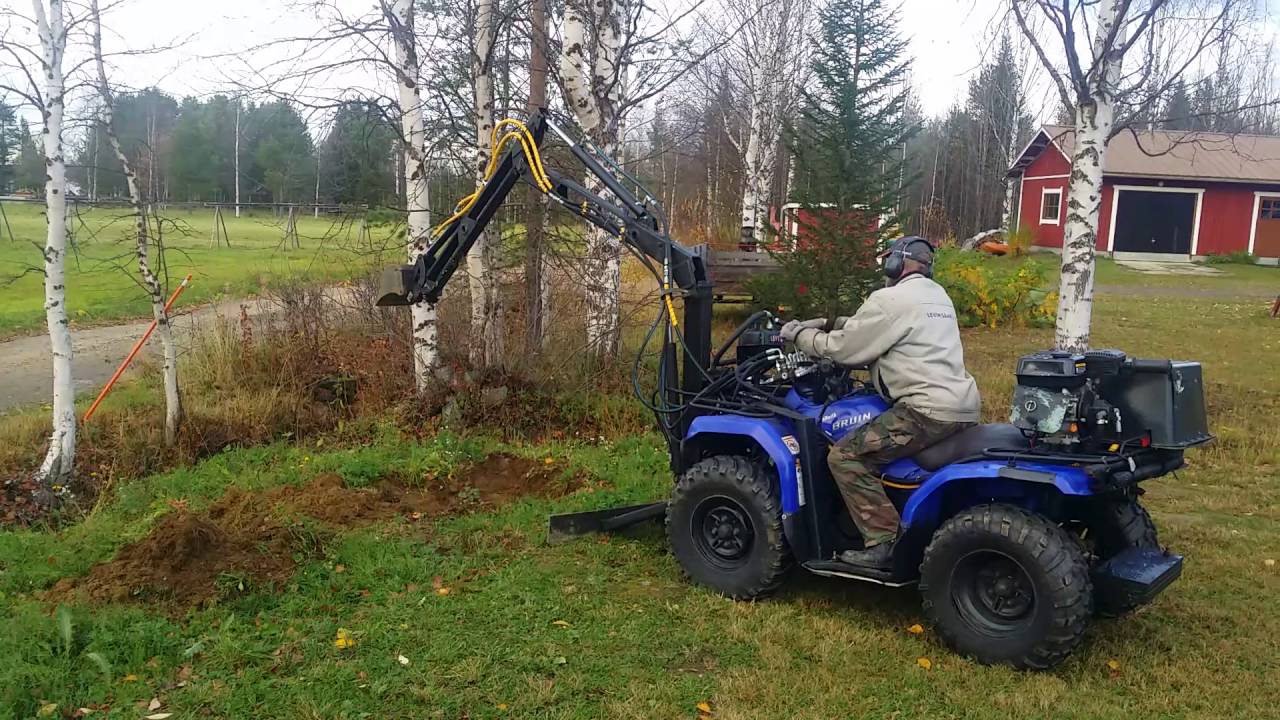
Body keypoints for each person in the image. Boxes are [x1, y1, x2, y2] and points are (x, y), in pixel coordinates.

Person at [779, 236, 980, 569]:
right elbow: (877, 327)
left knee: (845, 457)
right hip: (961, 406)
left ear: (896, 263)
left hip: (924, 411)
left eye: (888, 261)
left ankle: (883, 542)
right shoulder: (936, 296)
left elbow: (844, 349)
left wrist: (800, 335)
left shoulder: (890, 298)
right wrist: (835, 321)